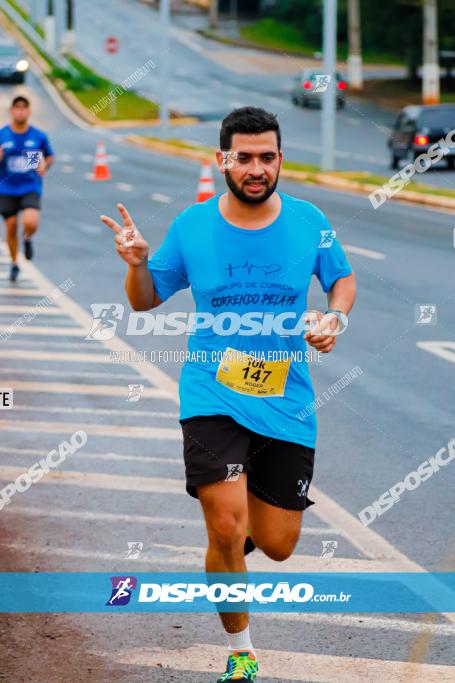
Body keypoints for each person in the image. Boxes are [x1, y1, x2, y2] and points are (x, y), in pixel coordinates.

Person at [101, 106, 356, 682]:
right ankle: (241, 651)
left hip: (287, 399)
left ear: (281, 160)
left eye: (267, 156)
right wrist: (137, 264)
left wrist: (334, 318)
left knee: (279, 544)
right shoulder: (192, 226)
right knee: (222, 524)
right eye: (244, 157)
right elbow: (144, 301)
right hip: (210, 393)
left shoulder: (308, 220)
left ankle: (230, 547)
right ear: (223, 161)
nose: (256, 167)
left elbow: (341, 278)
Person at [0, 95, 54, 282]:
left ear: (29, 111)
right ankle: (15, 262)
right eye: (17, 107)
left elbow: (49, 156)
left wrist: (44, 166)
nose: (20, 111)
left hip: (30, 185)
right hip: (6, 188)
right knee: (11, 226)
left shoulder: (37, 136)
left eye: (24, 107)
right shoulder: (3, 134)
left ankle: (28, 238)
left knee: (31, 222)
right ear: (12, 111)